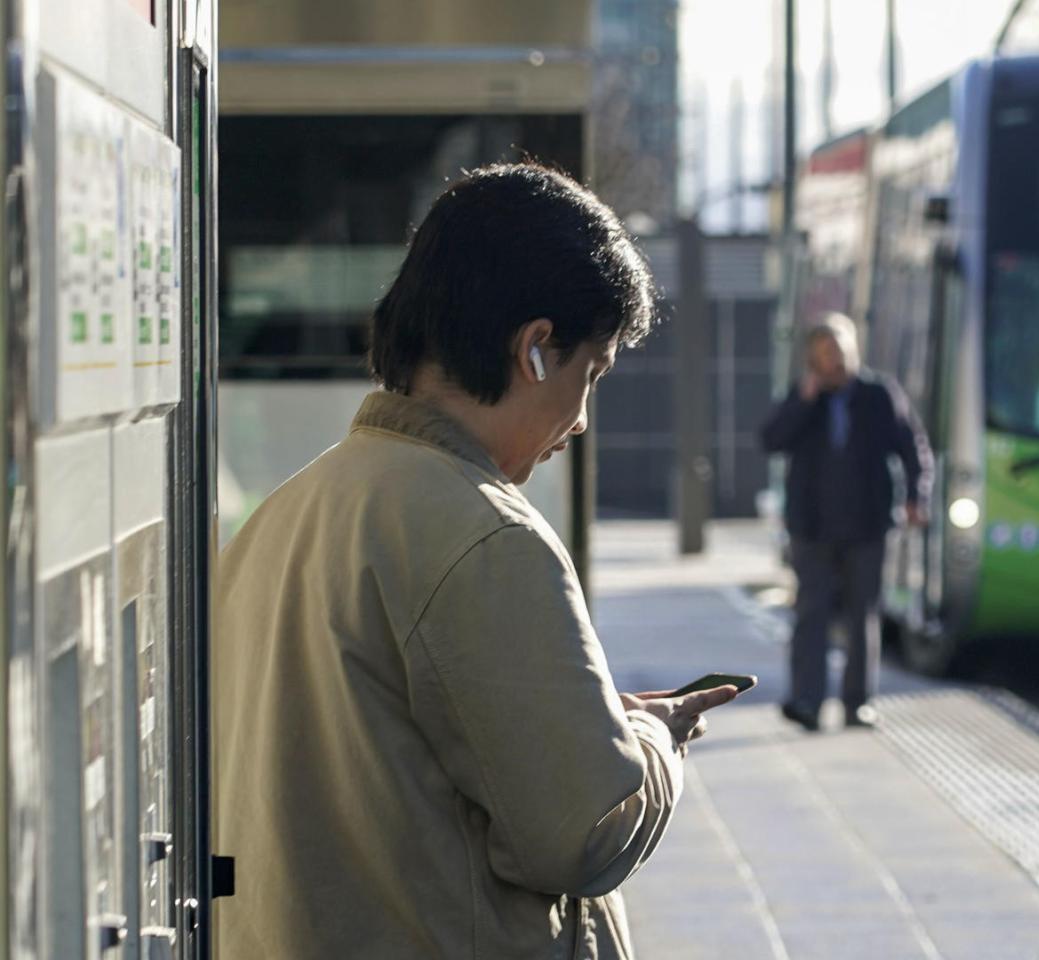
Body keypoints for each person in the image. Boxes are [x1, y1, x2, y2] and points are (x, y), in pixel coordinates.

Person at [213, 162, 742, 959]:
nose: (582, 421)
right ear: (534, 349)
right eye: (588, 374)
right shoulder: (487, 536)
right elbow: (586, 833)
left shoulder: (287, 513)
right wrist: (658, 745)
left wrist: (599, 725)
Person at [760, 314, 932, 732]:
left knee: (862, 618)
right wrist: (804, 399)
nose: (833, 362)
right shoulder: (805, 398)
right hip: (812, 528)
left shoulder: (878, 394)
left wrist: (916, 496)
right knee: (811, 617)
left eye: (838, 352)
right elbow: (770, 440)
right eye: (823, 356)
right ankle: (806, 701)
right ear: (812, 362)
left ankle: (858, 704)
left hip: (868, 526)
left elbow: (913, 448)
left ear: (854, 351)